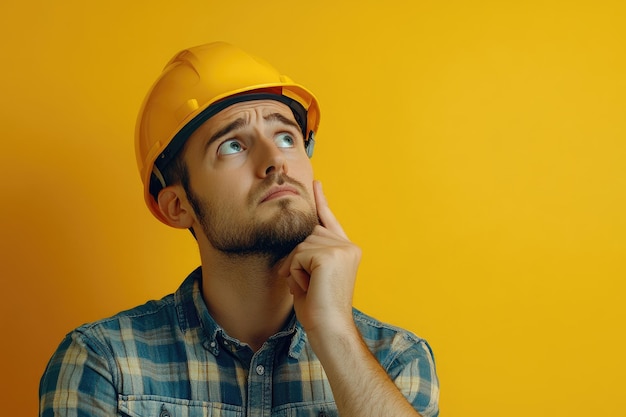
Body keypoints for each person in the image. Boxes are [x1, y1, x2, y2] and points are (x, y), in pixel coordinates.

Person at [39, 42, 439, 417]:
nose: (275, 161)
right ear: (178, 206)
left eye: (286, 137)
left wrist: (335, 333)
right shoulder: (104, 364)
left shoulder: (396, 360)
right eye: (232, 145)